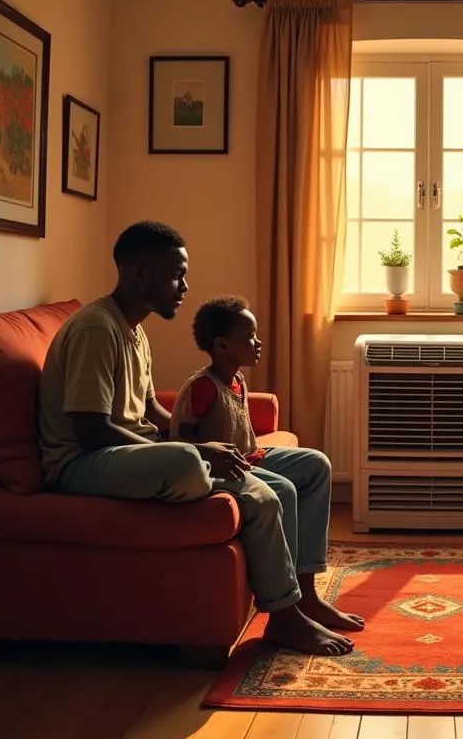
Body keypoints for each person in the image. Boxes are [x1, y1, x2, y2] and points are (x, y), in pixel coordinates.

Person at [38, 221, 362, 655]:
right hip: (83, 462)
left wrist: (204, 440)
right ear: (139, 272)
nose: (184, 287)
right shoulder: (98, 328)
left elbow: (151, 410)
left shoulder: (134, 329)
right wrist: (193, 450)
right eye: (176, 275)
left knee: (311, 467)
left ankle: (303, 601)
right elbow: (90, 428)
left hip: (131, 452)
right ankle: (284, 620)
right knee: (202, 467)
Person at [169, 295, 364, 636]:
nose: (258, 342)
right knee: (283, 489)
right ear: (222, 344)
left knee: (316, 465)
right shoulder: (202, 388)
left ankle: (308, 595)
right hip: (220, 470)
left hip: (249, 457)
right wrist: (207, 450)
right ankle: (284, 611)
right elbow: (179, 444)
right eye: (250, 336)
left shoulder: (238, 379)